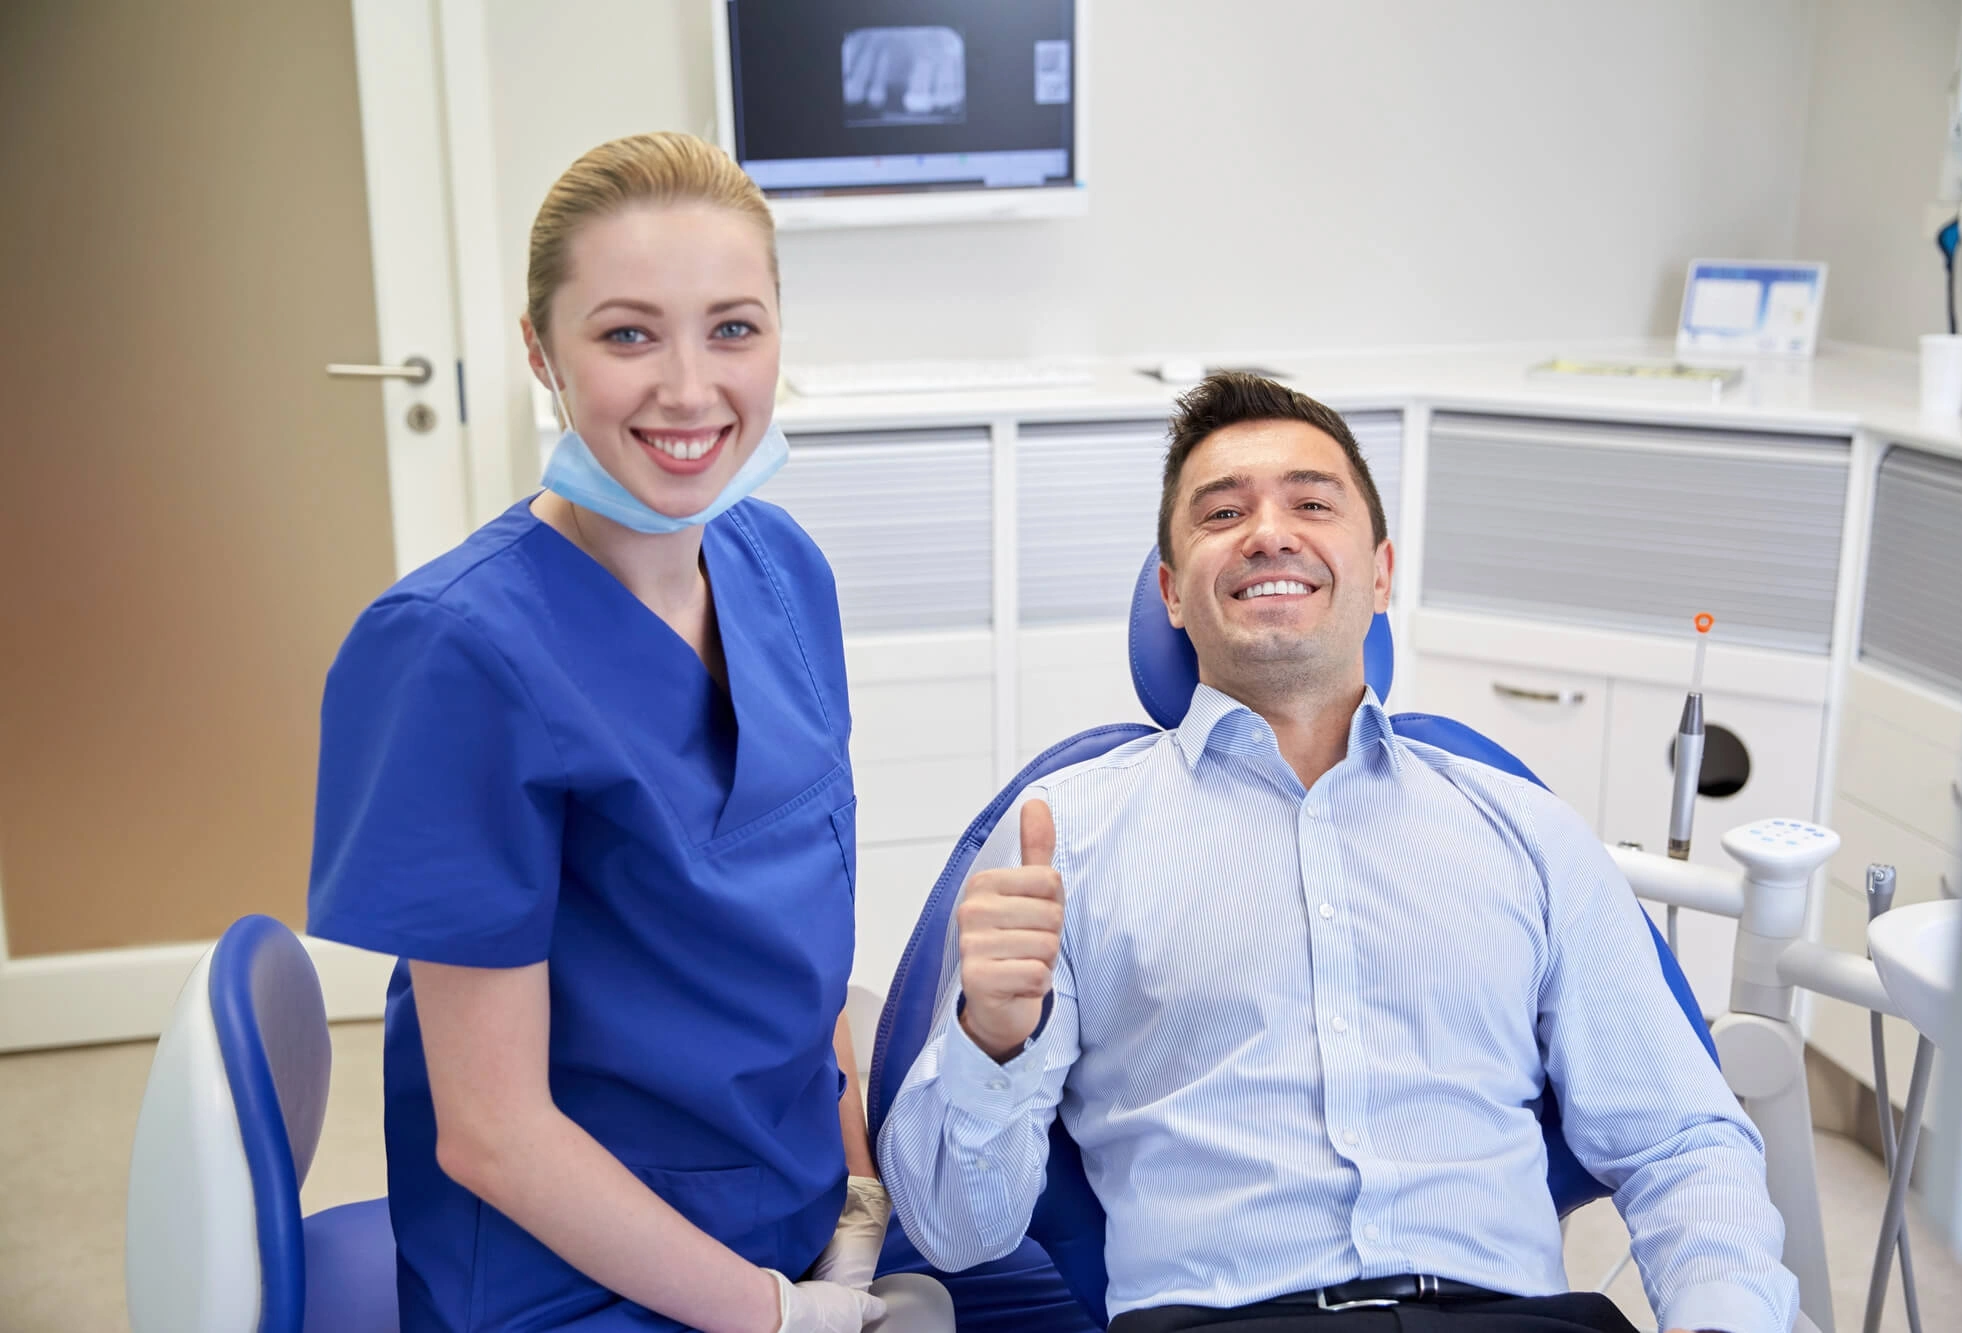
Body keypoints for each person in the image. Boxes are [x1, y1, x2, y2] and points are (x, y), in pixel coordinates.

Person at [877, 373, 1801, 1333]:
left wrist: (1723, 1315)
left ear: (1381, 573)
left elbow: (1683, 1138)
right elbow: (956, 1231)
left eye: (1312, 504)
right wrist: (992, 1037)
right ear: (1172, 592)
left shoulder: (1527, 830)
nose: (1268, 533)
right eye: (1222, 512)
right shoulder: (1059, 838)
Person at [307, 132, 950, 1333]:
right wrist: (775, 1315)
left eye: (732, 328)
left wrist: (856, 1199)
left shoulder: (781, 569)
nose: (690, 389)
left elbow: (796, 949)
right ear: (540, 351)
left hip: (798, 1211)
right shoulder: (454, 652)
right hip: (572, 1278)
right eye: (627, 334)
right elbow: (492, 1132)